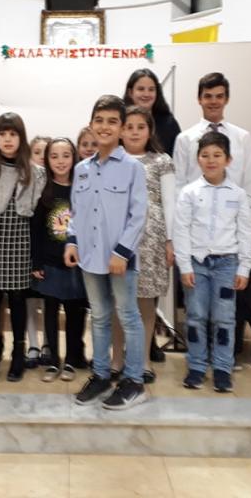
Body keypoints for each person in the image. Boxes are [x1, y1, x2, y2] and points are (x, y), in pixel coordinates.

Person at [66, 95, 148, 410]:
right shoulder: (82, 169)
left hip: (120, 260)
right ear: (91, 124)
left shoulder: (133, 168)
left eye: (113, 121)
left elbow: (138, 215)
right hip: (89, 257)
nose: (105, 127)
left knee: (128, 316)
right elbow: (75, 212)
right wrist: (72, 242)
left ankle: (134, 381)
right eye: (99, 120)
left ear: (122, 128)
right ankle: (100, 375)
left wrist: (122, 252)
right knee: (99, 316)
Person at [175, 132, 251, 393]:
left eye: (217, 155)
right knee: (196, 316)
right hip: (196, 264)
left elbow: (246, 231)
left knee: (224, 318)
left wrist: (244, 267)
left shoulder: (238, 195)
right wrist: (185, 266)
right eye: (205, 155)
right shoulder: (189, 192)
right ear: (198, 159)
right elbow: (181, 230)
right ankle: (197, 366)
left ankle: (222, 368)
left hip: (227, 265)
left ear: (228, 160)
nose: (211, 160)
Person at [0, 112, 46, 383]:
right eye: (2, 134)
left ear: (21, 137)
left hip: (20, 237)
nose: (7, 139)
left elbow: (36, 214)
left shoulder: (34, 172)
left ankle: (18, 354)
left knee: (17, 297)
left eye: (13, 134)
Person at [110, 106, 175, 384]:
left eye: (141, 127)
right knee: (118, 301)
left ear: (150, 131)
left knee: (145, 301)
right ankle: (117, 359)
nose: (135, 132)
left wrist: (170, 240)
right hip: (117, 238)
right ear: (120, 130)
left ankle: (143, 360)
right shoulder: (112, 159)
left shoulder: (162, 161)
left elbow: (169, 202)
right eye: (129, 127)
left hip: (151, 239)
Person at [31, 137, 88, 382]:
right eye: (54, 156)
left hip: (76, 263)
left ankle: (73, 360)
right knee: (51, 313)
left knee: (75, 313)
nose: (60, 161)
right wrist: (36, 262)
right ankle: (53, 360)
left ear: (74, 157)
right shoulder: (44, 191)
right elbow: (35, 230)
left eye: (66, 155)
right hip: (50, 262)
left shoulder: (81, 188)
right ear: (47, 160)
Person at [172, 72, 251, 206]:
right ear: (199, 99)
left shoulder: (243, 137)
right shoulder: (185, 139)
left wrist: (246, 215)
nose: (213, 101)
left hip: (233, 214)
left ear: (226, 99)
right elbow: (178, 185)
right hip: (196, 213)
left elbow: (250, 184)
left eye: (219, 96)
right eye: (208, 96)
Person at [26, 135, 52, 367]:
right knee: (30, 300)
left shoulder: (57, 183)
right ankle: (32, 344)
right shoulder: (25, 181)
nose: (42, 157)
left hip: (48, 249)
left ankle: (47, 344)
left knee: (47, 300)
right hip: (26, 247)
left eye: (46, 153)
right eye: (37, 152)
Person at [123, 68, 181, 156]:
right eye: (141, 89)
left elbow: (176, 157)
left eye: (151, 89)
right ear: (130, 92)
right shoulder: (120, 120)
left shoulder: (169, 123)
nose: (146, 94)